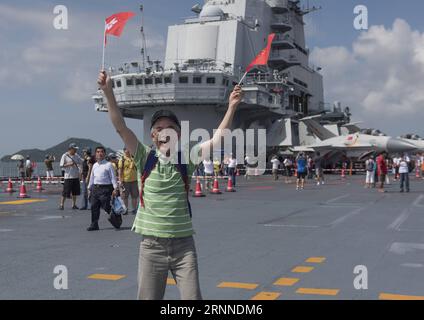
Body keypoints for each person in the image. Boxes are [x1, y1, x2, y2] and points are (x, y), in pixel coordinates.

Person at [97, 70, 242, 300]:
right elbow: (121, 127)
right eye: (159, 128)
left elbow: (217, 139)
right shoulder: (144, 157)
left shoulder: (188, 158)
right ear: (153, 135)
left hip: (184, 247)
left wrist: (232, 106)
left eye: (171, 127)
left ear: (179, 134)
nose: (165, 131)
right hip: (151, 248)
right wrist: (108, 92)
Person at [87, 146, 119, 231]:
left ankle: (117, 219)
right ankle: (94, 224)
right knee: (94, 206)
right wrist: (89, 188)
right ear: (95, 154)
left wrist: (115, 188)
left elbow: (113, 177)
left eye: (101, 152)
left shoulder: (108, 165)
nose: (99, 153)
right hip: (95, 188)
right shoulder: (94, 165)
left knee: (106, 207)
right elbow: (92, 177)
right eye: (98, 152)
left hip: (106, 188)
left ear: (104, 154)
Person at [59, 143, 83, 210]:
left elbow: (81, 161)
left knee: (75, 192)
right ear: (71, 149)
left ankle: (74, 205)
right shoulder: (65, 155)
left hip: (75, 176)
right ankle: (61, 205)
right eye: (74, 149)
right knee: (65, 191)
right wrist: (68, 164)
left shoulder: (76, 155)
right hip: (68, 177)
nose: (75, 150)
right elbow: (61, 165)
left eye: (76, 149)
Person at [118, 147, 139, 215]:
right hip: (125, 181)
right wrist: (120, 181)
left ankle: (134, 209)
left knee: (134, 196)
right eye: (127, 150)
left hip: (134, 180)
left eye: (129, 150)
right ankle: (125, 209)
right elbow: (120, 171)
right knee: (125, 196)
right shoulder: (122, 159)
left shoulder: (134, 158)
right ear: (124, 151)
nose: (128, 151)